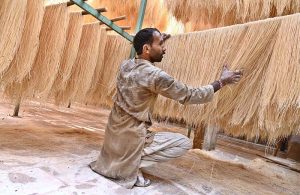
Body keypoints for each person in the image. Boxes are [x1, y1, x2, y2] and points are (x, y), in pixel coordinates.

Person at [90, 28, 242, 188]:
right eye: (161, 44)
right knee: (183, 143)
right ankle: (129, 165)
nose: (165, 48)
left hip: (113, 134)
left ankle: (118, 159)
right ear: (146, 49)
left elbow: (143, 50)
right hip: (130, 137)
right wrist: (222, 82)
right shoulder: (156, 76)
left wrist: (158, 39)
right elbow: (190, 95)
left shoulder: (125, 65)